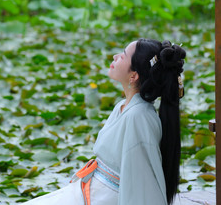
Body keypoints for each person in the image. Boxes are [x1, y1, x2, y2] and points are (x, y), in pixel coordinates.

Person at [23, 38, 186, 205]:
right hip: (92, 189)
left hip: (106, 197)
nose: (115, 56)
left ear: (134, 75)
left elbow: (142, 183)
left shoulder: (139, 117)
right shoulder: (123, 107)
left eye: (123, 55)